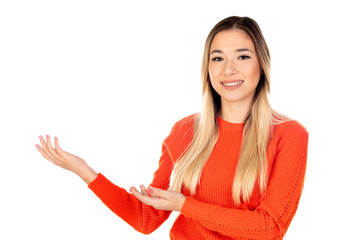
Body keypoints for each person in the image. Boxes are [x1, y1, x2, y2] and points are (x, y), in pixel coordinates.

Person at [35, 16, 309, 240]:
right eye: (217, 58)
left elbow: (269, 228)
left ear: (261, 64)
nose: (229, 70)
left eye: (242, 57)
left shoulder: (289, 135)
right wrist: (84, 171)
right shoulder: (186, 131)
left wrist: (184, 205)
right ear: (207, 68)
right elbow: (146, 219)